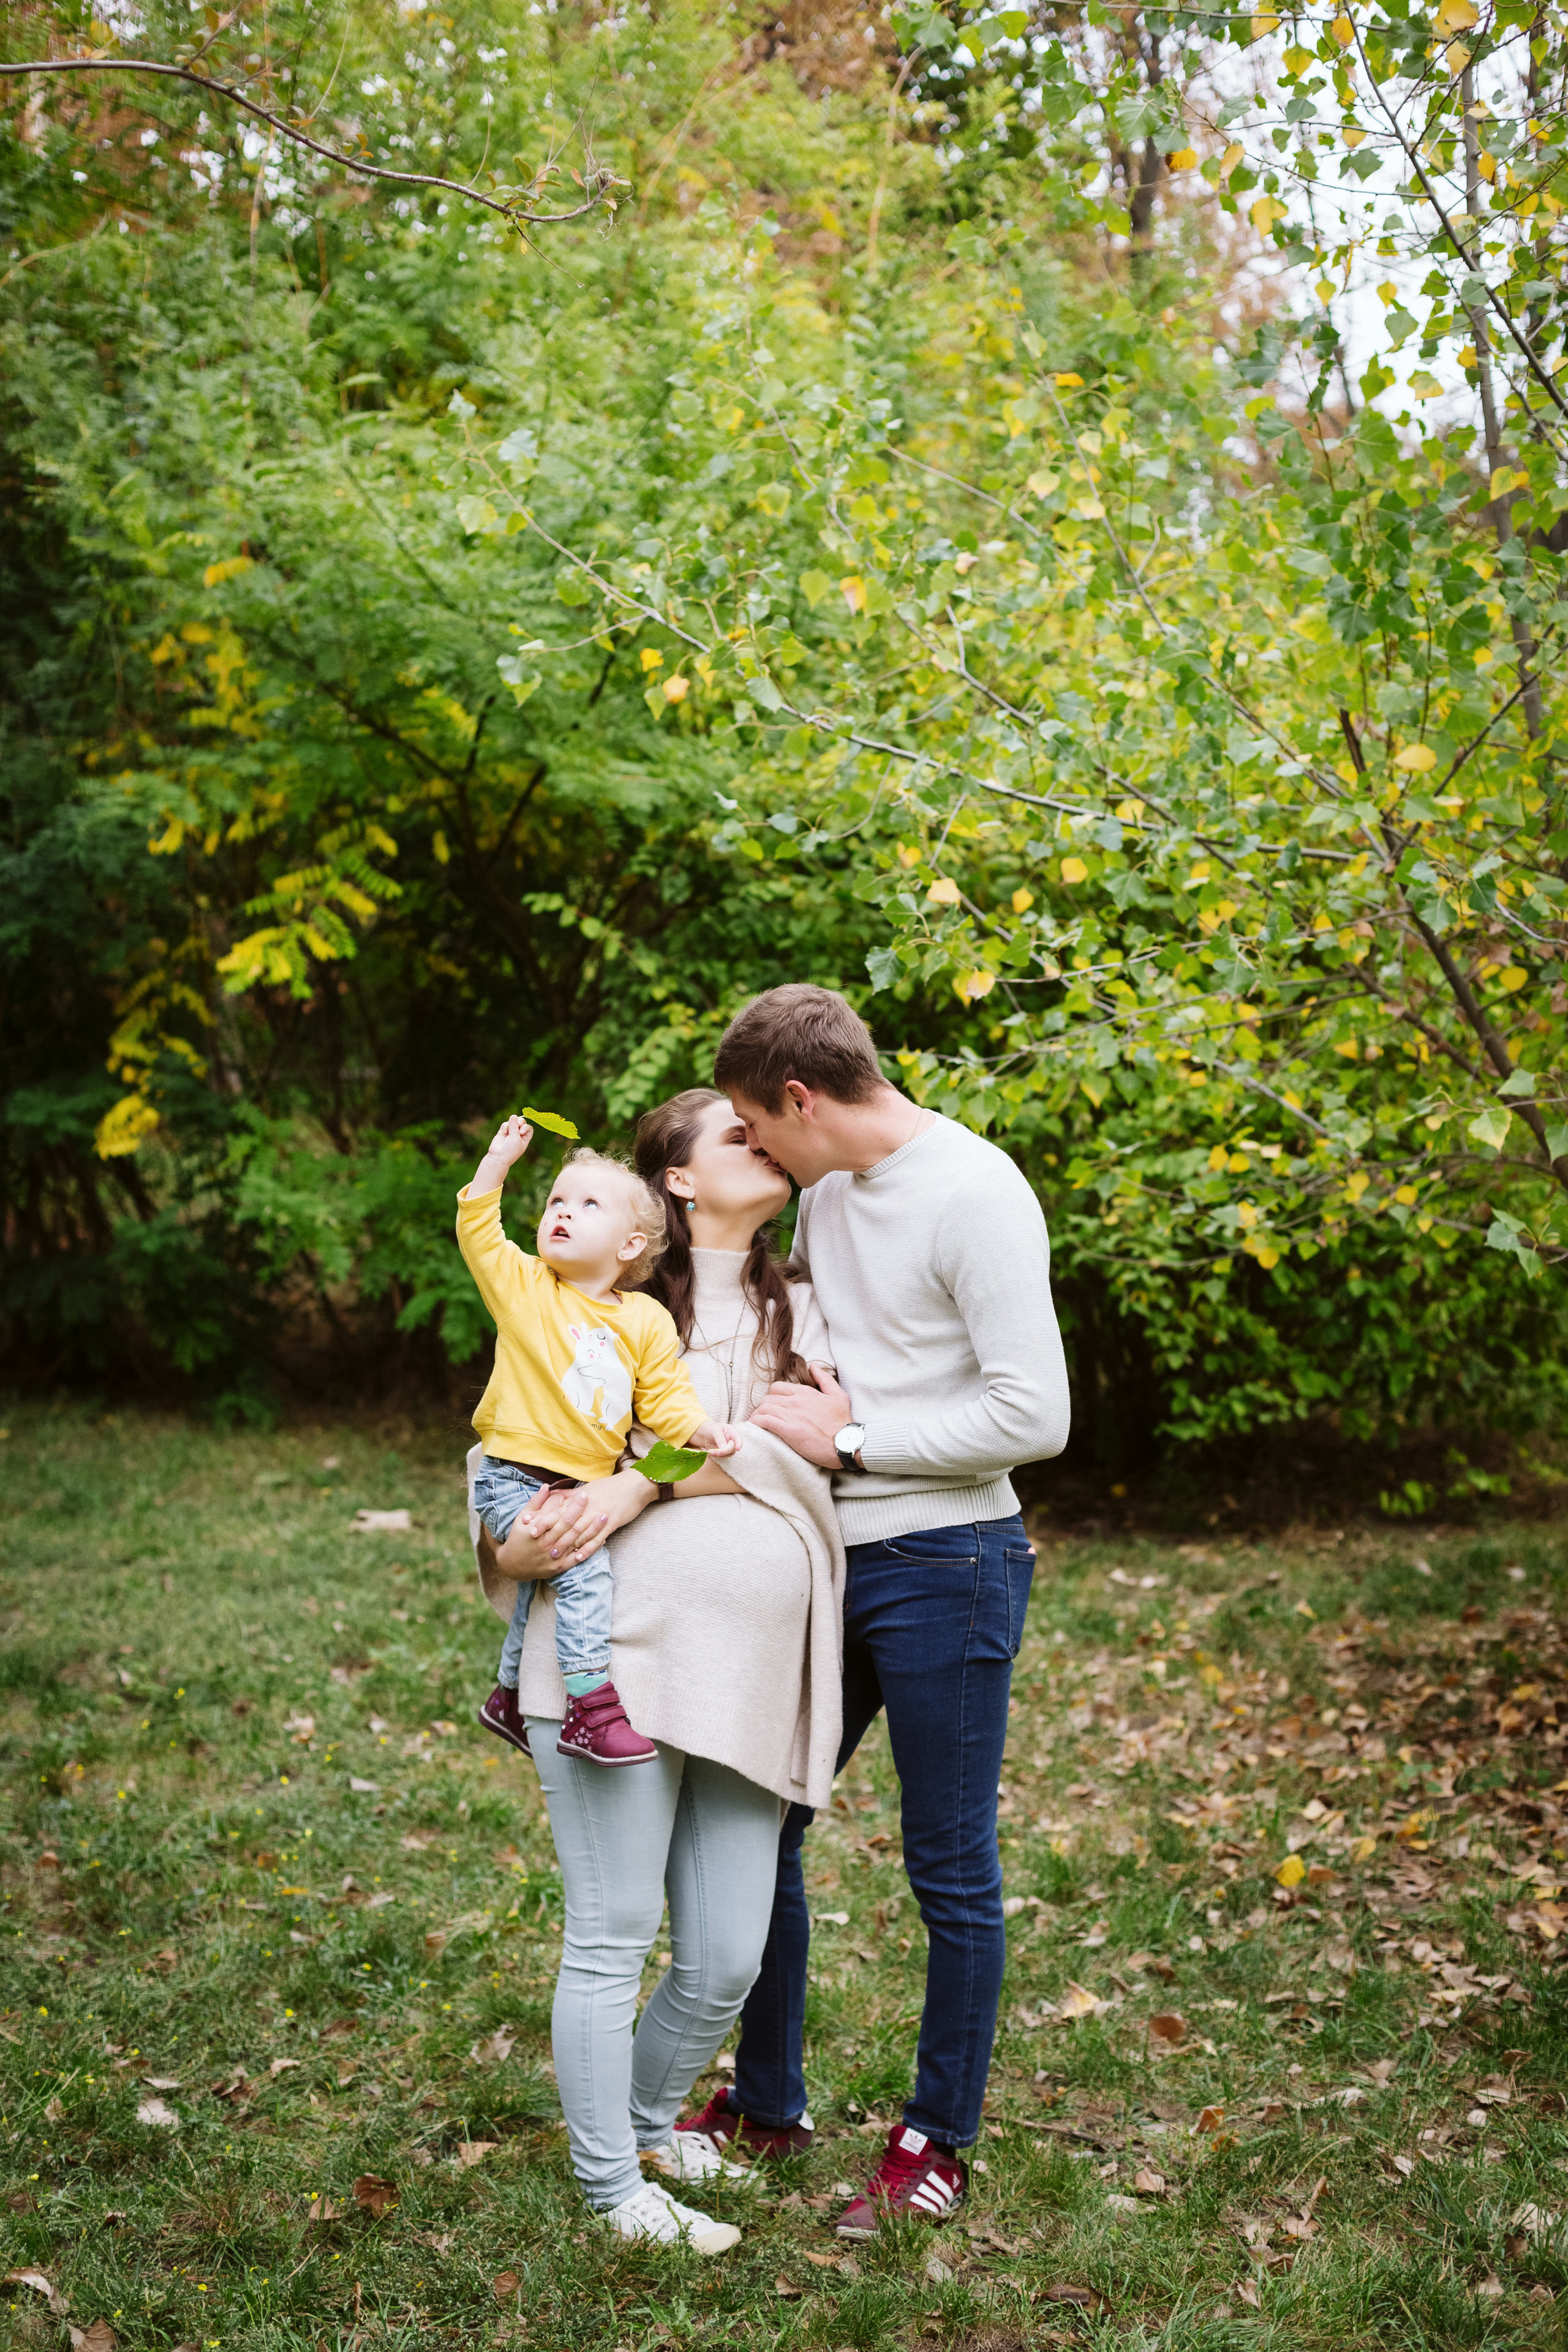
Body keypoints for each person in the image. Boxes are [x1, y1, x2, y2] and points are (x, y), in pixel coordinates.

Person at [677, 983, 1069, 2239]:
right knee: (766, 1826)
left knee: (946, 1868)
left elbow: (1032, 1416)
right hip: (829, 1565)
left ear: (799, 1099)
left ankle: (934, 2140)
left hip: (949, 1562)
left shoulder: (975, 1193)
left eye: (752, 1124)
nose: (755, 1151)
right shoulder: (832, 1198)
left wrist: (850, 1435)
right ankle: (769, 2100)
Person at [466, 1088, 845, 2254]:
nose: (767, 1141)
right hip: (613, 1662)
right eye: (739, 1133)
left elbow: (827, 1461)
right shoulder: (603, 1306)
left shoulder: (813, 1310)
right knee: (614, 1930)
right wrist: (585, 1504)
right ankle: (611, 2189)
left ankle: (637, 2124)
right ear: (677, 1178)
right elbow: (519, 1482)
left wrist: (644, 1475)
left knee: (729, 1949)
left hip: (750, 1670)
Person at [458, 1121, 739, 1766]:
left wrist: (699, 1430)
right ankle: (591, 1705)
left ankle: (506, 1697)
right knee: (584, 1569)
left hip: (579, 1479)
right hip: (511, 1475)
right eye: (558, 1201)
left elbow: (664, 1399)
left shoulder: (643, 1318)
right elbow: (478, 1229)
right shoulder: (525, 1287)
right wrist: (498, 1163)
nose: (563, 1212)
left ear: (629, 1244)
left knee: (544, 1586)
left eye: (588, 1206)